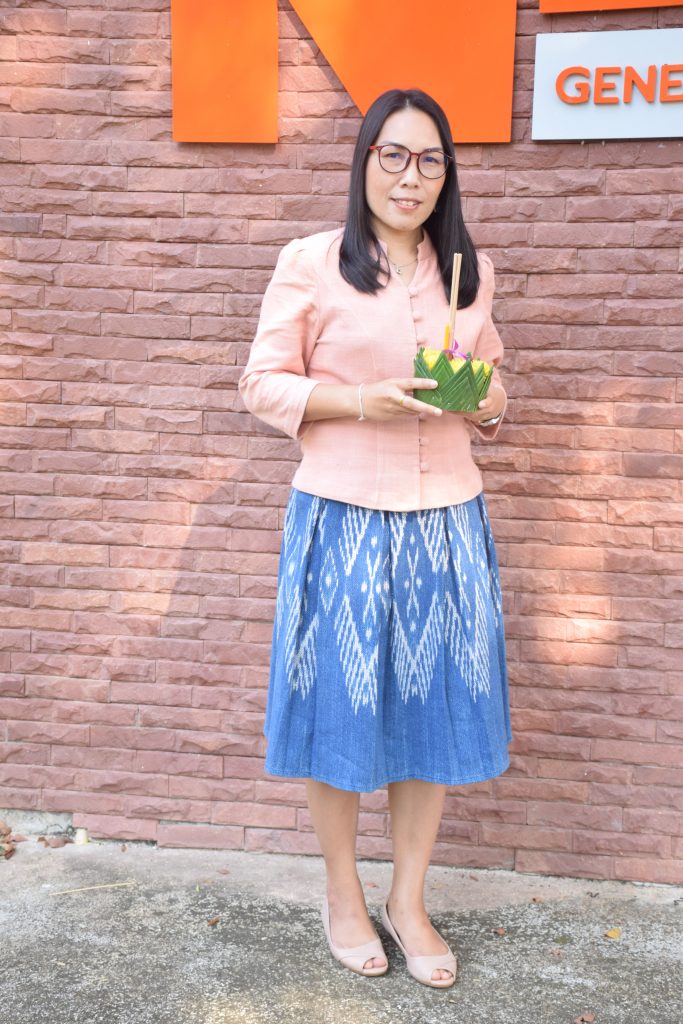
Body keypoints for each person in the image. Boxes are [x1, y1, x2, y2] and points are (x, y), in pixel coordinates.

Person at [238, 88, 512, 989]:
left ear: (446, 174)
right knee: (340, 708)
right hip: (343, 518)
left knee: (430, 713)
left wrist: (484, 399)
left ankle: (408, 899)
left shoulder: (469, 271)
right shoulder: (312, 263)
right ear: (363, 162)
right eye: (392, 154)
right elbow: (261, 384)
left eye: (429, 159)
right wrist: (360, 401)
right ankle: (343, 895)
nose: (410, 176)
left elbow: (490, 388)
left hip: (447, 523)